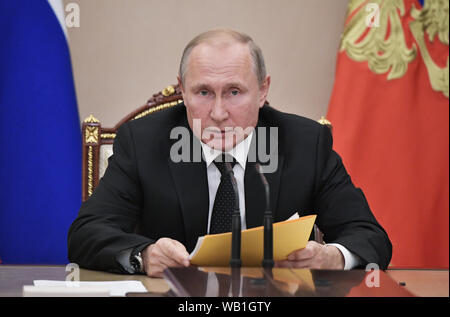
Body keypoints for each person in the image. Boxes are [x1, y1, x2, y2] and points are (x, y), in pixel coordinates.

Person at [68, 28, 392, 277]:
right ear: (182, 90)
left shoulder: (306, 143)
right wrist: (145, 254)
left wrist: (332, 256)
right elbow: (86, 234)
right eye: (204, 92)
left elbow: (369, 235)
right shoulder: (143, 141)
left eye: (234, 92)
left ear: (262, 91)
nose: (219, 112)